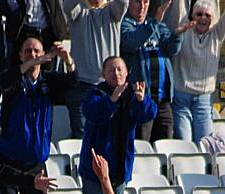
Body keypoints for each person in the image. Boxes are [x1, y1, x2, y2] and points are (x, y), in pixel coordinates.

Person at [0, 37, 77, 194]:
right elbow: (4, 82)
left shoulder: (48, 81)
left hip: (35, 163)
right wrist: (34, 62)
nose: (33, 55)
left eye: (37, 52)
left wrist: (67, 59)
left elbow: (72, 82)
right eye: (28, 51)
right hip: (8, 161)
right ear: (20, 55)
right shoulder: (14, 79)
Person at [79, 56, 157, 194]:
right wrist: (112, 99)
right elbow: (93, 113)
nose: (116, 73)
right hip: (95, 170)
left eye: (119, 69)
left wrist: (142, 101)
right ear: (104, 74)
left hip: (120, 170)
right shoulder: (95, 93)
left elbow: (148, 114)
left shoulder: (133, 94)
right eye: (111, 70)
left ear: (127, 72)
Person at [120, 0, 193, 142]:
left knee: (165, 145)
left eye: (145, 2)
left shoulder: (159, 25)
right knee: (142, 146)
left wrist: (177, 35)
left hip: (163, 100)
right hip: (142, 99)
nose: (142, 6)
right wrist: (153, 23)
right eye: (137, 2)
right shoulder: (124, 24)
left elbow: (171, 49)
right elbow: (130, 43)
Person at [63, 0, 128, 139]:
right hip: (81, 87)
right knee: (81, 140)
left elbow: (123, 3)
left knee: (109, 139)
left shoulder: (112, 12)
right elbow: (67, 6)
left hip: (109, 89)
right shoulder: (78, 10)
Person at [167, 0, 225, 143]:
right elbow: (179, 6)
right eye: (199, 14)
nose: (203, 18)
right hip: (181, 99)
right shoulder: (184, 31)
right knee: (185, 143)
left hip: (203, 101)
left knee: (205, 146)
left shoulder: (216, 36)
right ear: (192, 16)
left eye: (207, 15)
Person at [0, 0, 68, 66]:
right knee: (19, 70)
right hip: (22, 32)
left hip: (47, 33)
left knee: (48, 71)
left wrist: (61, 30)